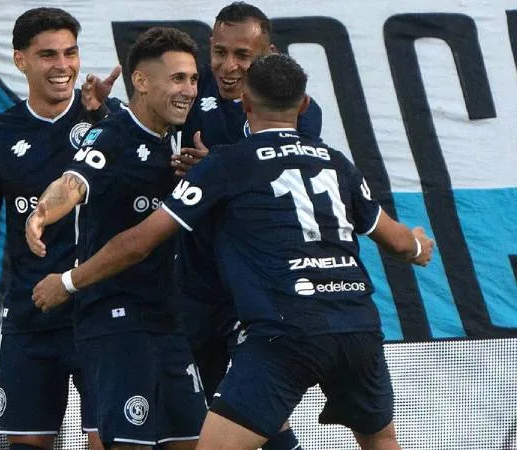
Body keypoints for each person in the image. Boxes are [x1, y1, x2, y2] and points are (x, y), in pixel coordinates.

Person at [32, 54, 434, 450]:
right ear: (304, 105)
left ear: (245, 103)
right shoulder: (336, 163)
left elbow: (139, 242)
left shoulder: (226, 164)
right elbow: (400, 243)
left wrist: (67, 282)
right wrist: (419, 244)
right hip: (357, 326)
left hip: (285, 331)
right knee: (382, 440)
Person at [0, 7, 120, 450]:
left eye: (70, 53)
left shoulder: (111, 122)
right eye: (48, 55)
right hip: (31, 319)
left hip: (102, 316)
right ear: (21, 60)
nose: (63, 66)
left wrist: (107, 118)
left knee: (110, 443)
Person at [25, 28, 207, 450]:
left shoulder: (177, 138)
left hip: (168, 321)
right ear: (140, 81)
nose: (189, 90)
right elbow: (72, 182)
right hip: (117, 321)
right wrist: (42, 213)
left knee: (194, 443)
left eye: (193, 79)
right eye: (177, 79)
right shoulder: (112, 135)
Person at [177, 5, 320, 448]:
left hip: (255, 286)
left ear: (269, 53)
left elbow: (276, 176)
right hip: (195, 282)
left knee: (255, 412)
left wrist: (214, 168)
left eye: (243, 55)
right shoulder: (188, 86)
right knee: (193, 415)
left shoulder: (293, 108)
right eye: (220, 52)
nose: (228, 66)